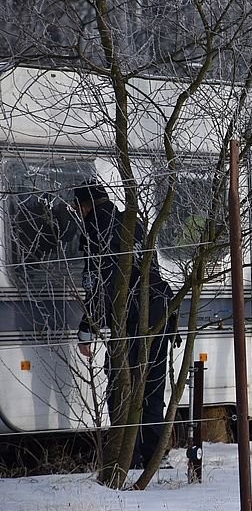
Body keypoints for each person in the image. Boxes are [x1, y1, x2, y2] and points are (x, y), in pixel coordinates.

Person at [72, 178, 176, 469]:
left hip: (132, 319)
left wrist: (87, 329)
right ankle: (154, 456)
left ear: (83, 205)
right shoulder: (133, 224)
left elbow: (101, 284)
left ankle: (126, 455)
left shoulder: (96, 231)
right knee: (152, 386)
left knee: (121, 385)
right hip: (158, 312)